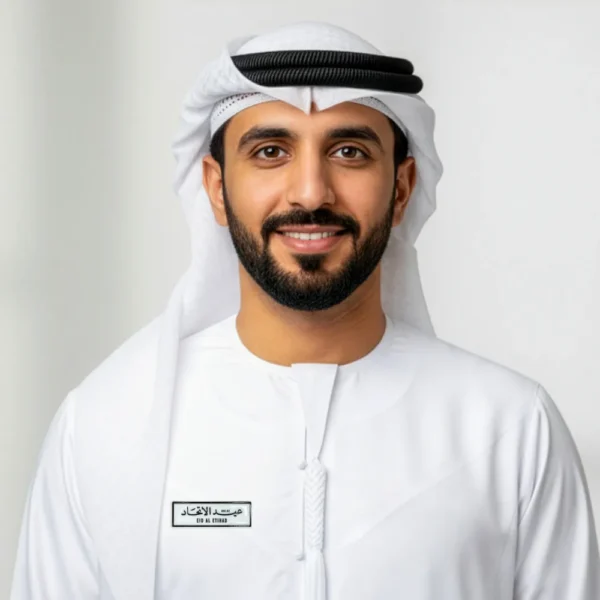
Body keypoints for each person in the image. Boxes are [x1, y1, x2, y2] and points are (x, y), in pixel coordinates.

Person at [10, 20, 600, 600]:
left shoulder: (510, 428)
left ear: (400, 189)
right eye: (270, 152)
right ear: (216, 187)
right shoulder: (107, 425)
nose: (312, 192)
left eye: (349, 152)